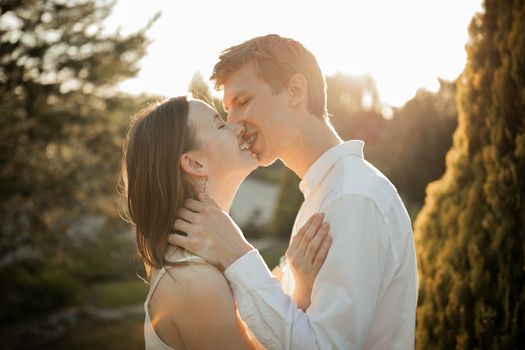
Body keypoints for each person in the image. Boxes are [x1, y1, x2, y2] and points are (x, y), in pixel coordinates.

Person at [168, 34, 419, 349]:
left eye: (243, 102)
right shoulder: (325, 194)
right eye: (227, 111)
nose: (234, 124)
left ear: (295, 90)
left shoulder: (351, 198)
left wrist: (237, 254)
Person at [120, 96, 332, 349]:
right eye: (220, 125)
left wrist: (299, 292)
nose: (238, 126)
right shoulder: (194, 281)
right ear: (194, 163)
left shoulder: (203, 263)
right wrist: (302, 296)